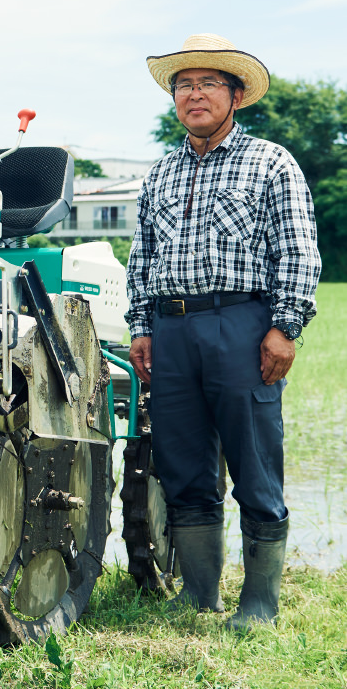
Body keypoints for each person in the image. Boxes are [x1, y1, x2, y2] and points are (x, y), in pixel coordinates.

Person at [125, 33, 321, 631]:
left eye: (210, 83)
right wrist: (142, 325)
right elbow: (143, 255)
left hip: (242, 323)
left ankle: (258, 601)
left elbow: (298, 249)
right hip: (172, 328)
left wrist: (284, 326)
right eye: (185, 85)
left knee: (254, 462)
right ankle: (199, 594)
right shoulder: (159, 173)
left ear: (236, 95)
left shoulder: (270, 162)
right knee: (183, 462)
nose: (195, 94)